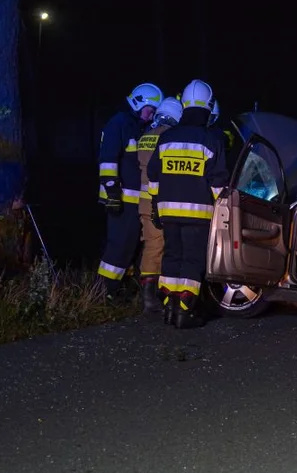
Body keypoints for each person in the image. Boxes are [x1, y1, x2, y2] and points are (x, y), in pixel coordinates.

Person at [146, 79, 228, 329]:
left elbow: (153, 175)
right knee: (193, 261)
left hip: (168, 213)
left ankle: (170, 308)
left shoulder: (167, 137)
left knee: (171, 258)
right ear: (208, 106)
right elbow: (218, 182)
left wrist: (155, 206)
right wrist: (222, 209)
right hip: (198, 215)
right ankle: (185, 311)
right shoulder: (211, 140)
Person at [96, 82, 161, 299]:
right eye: (149, 110)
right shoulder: (119, 124)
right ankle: (104, 291)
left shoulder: (136, 127)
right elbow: (107, 161)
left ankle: (119, 289)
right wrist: (113, 192)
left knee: (130, 245)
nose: (151, 116)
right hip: (120, 199)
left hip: (133, 201)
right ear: (138, 103)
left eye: (153, 112)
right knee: (120, 245)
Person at [135, 96, 183, 313]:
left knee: (152, 247)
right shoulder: (168, 137)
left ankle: (149, 297)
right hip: (163, 201)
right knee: (161, 249)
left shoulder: (146, 136)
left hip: (145, 203)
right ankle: (151, 300)